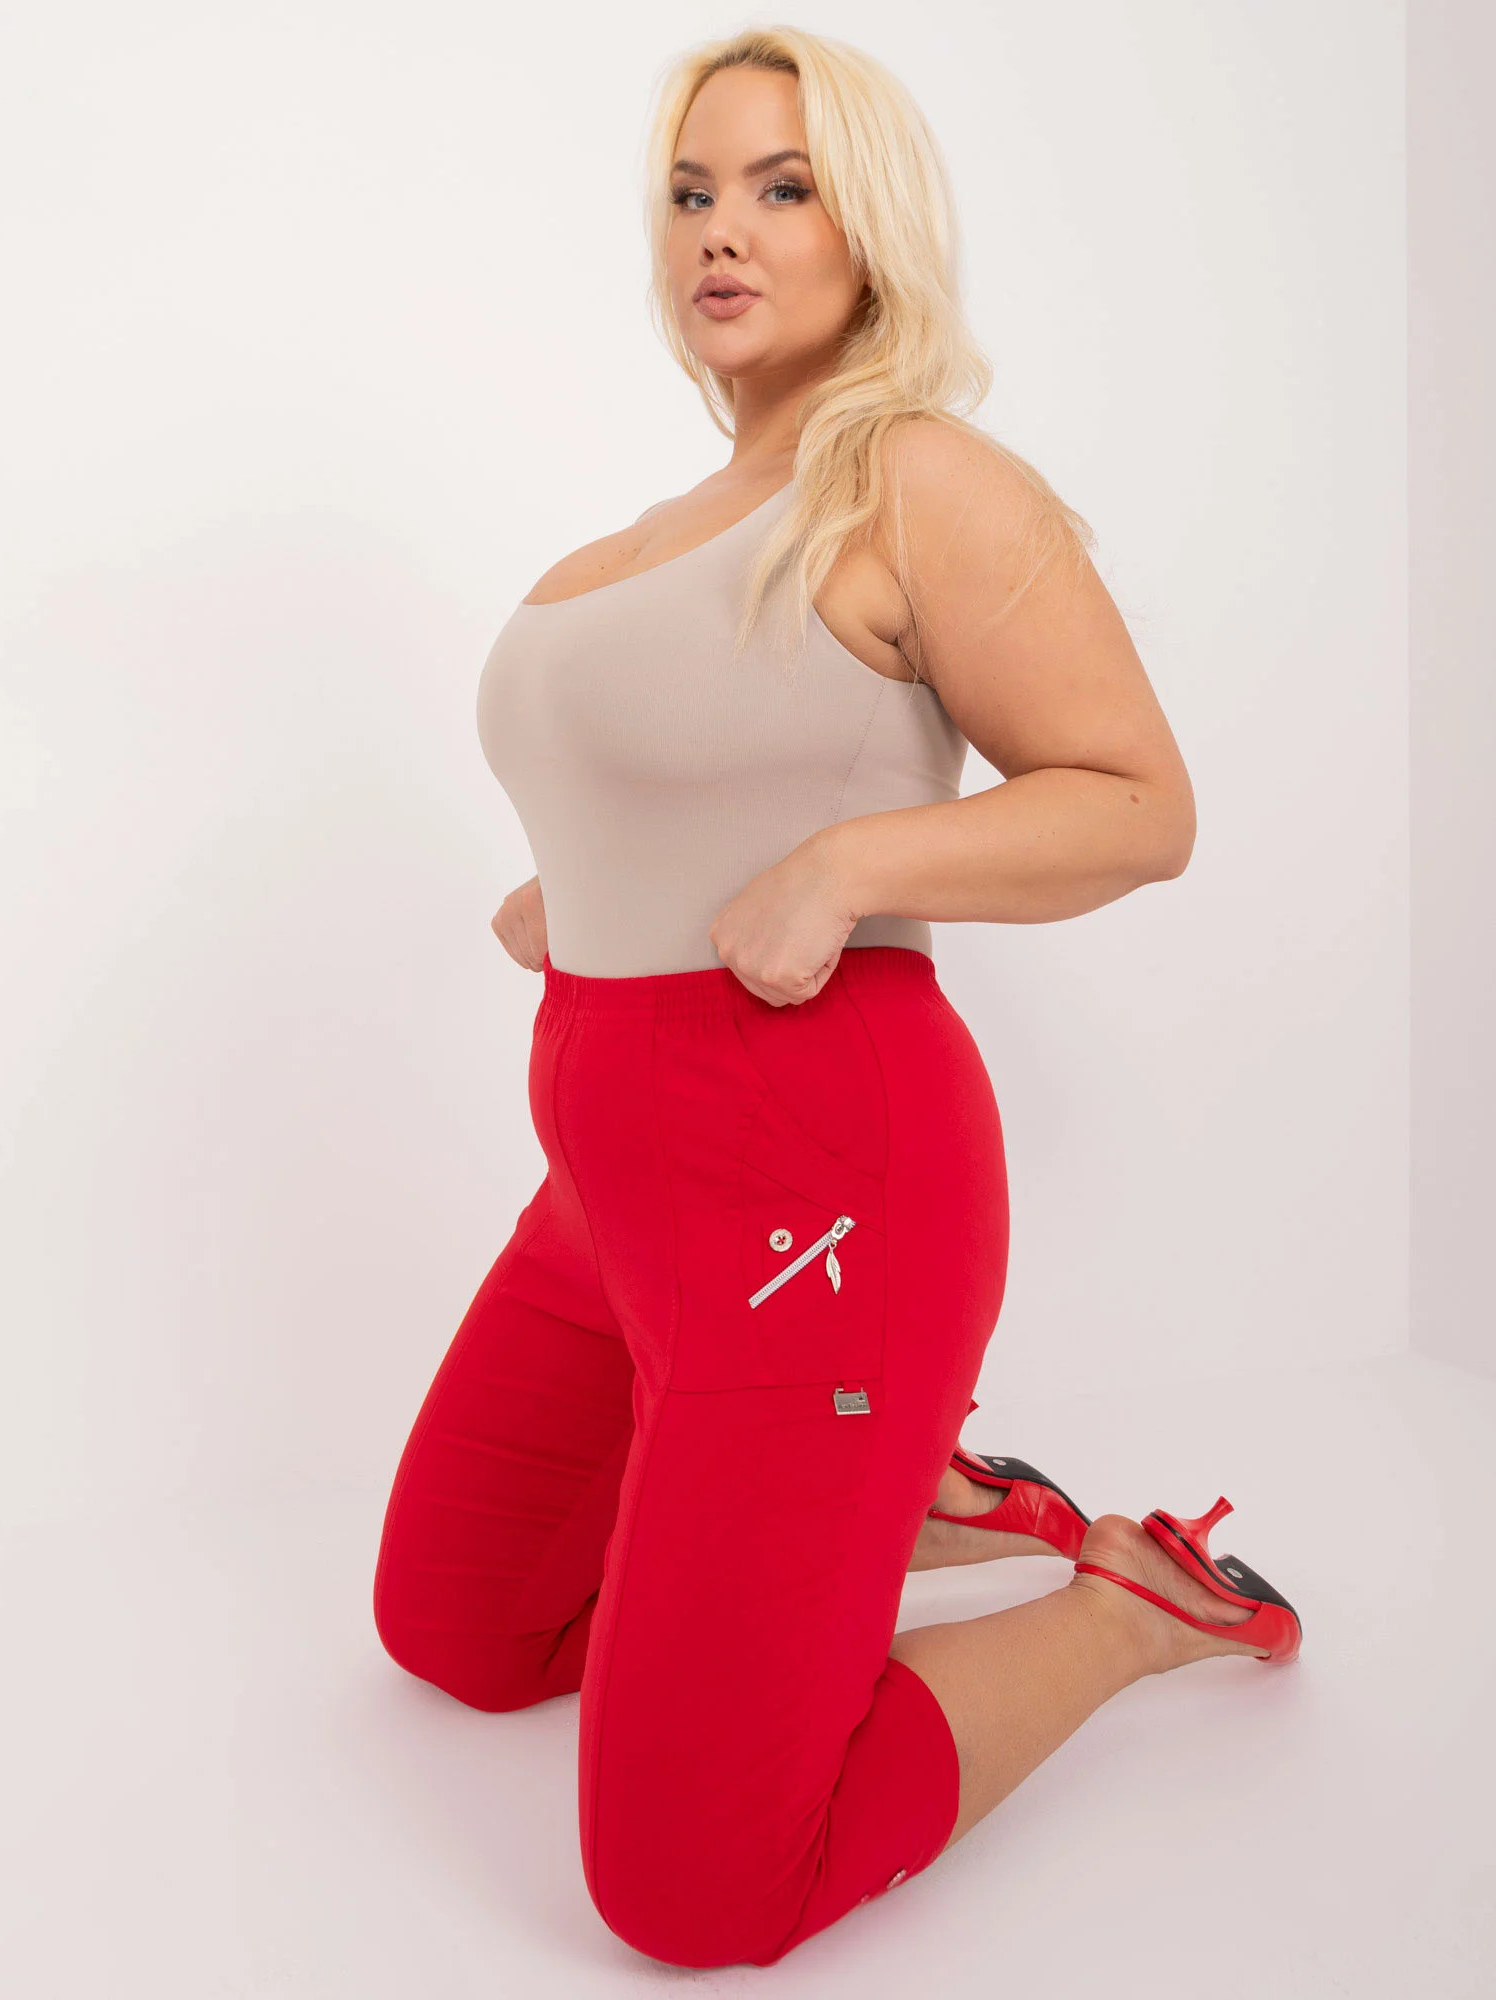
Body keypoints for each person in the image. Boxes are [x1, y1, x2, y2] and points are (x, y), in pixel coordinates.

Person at [372, 25, 1301, 1971]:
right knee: (460, 1630)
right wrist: (587, 887)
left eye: (782, 187)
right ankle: (898, 1495)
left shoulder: (918, 476)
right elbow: (706, 759)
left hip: (815, 1198)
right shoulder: (666, 524)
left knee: (690, 1891)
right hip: (610, 1202)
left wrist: (853, 867)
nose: (724, 229)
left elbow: (1141, 805)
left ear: (868, 229)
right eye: (692, 192)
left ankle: (1122, 1602)